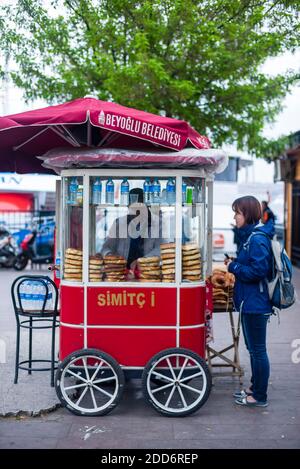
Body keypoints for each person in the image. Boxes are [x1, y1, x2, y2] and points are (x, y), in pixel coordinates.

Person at [224, 195, 275, 407]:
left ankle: (260, 396)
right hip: (250, 301)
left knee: (258, 350)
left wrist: (233, 267)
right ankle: (254, 388)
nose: (235, 217)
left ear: (247, 214)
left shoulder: (257, 238)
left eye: (237, 212)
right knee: (253, 349)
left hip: (256, 302)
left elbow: (259, 270)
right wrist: (235, 262)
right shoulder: (251, 237)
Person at [101, 188, 162, 272]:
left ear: (147, 207)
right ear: (128, 207)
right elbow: (106, 247)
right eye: (133, 209)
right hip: (121, 273)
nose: (136, 213)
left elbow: (161, 249)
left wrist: (141, 261)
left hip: (149, 273)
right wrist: (109, 255)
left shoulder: (158, 224)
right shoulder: (119, 223)